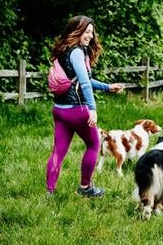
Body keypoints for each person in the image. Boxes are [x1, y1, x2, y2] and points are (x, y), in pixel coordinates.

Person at [46, 15, 124, 197]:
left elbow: (79, 80)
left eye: (91, 32)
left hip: (59, 110)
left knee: (58, 151)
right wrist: (92, 109)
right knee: (94, 144)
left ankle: (50, 192)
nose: (90, 36)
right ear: (76, 31)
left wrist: (107, 87)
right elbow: (84, 83)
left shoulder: (63, 50)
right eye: (86, 32)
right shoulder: (77, 52)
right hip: (77, 110)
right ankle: (85, 187)